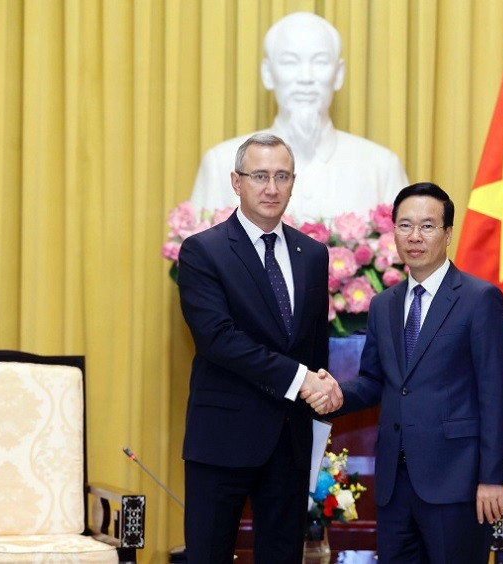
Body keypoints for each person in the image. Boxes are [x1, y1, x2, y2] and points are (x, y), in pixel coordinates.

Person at [303, 182, 503, 563]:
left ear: (448, 233)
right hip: (394, 486)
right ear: (393, 232)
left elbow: (497, 394)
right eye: (404, 225)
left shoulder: (479, 299)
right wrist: (335, 393)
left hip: (458, 483)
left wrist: (492, 478)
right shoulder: (384, 304)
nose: (414, 236)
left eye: (428, 226)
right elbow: (374, 381)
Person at [177, 133, 343, 563]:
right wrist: (300, 378)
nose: (271, 187)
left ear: (293, 182)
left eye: (282, 176)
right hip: (222, 439)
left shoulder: (313, 254)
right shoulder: (203, 251)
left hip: (289, 442)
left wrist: (319, 388)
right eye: (260, 176)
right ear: (237, 182)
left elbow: (313, 344)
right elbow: (219, 339)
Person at [189, 12, 408, 223]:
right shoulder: (221, 163)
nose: (306, 78)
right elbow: (196, 256)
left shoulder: (381, 168)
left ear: (338, 74)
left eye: (320, 62)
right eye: (290, 62)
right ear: (267, 73)